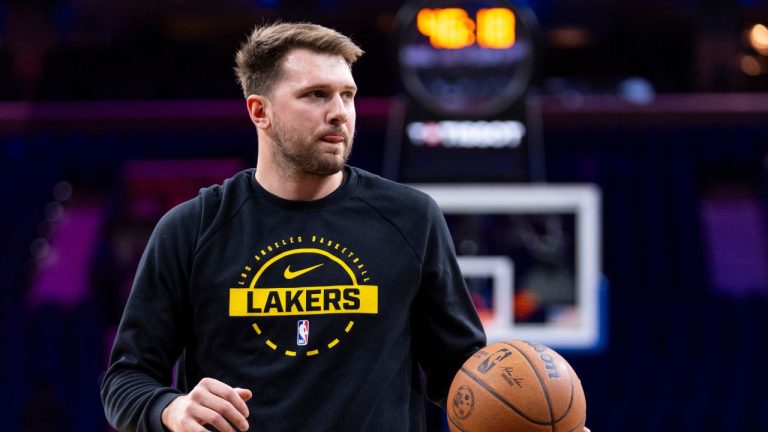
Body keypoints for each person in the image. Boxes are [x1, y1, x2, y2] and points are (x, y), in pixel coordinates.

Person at [100, 22, 487, 432]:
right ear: (259, 111)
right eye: (316, 95)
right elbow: (126, 381)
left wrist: (521, 402)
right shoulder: (191, 228)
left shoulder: (412, 218)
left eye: (348, 95)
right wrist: (171, 409)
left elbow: (463, 376)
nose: (339, 112)